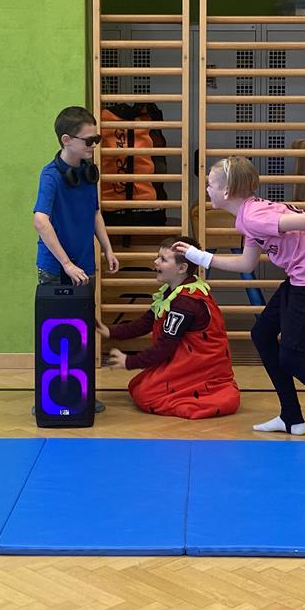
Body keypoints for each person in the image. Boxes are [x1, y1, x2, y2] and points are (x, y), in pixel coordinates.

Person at [173, 156, 305, 443]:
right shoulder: (248, 216)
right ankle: (291, 417)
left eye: (210, 185)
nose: (207, 189)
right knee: (263, 334)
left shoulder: (255, 216)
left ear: (227, 191)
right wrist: (200, 257)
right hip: (301, 278)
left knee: (292, 357)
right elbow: (246, 264)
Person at [34, 105, 119, 413]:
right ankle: (50, 396)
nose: (94, 145)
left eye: (97, 139)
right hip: (56, 268)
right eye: (89, 140)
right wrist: (66, 264)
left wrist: (107, 248)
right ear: (66, 140)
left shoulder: (88, 173)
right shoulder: (51, 176)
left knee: (81, 333)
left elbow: (95, 213)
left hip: (85, 265)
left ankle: (80, 394)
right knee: (55, 335)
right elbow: (41, 220)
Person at [97, 236, 240, 420]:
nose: (156, 262)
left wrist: (129, 362)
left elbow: (164, 347)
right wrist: (111, 332)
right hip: (184, 362)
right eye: (158, 257)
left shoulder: (185, 303)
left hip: (200, 367)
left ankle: (201, 400)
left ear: (182, 268)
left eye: (163, 259)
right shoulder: (171, 291)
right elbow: (146, 322)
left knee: (145, 395)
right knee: (137, 386)